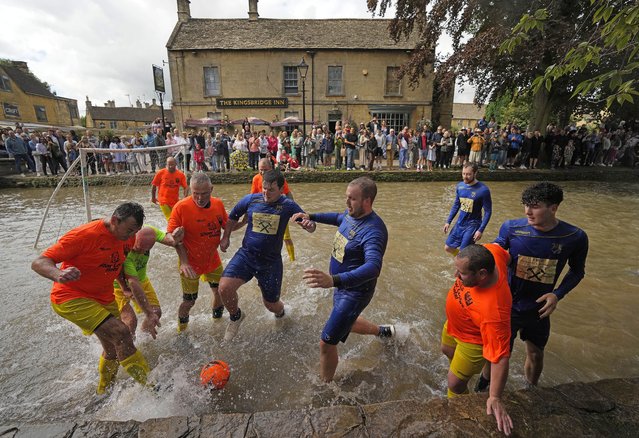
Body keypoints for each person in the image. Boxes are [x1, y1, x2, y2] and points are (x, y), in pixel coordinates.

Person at [31, 202, 157, 394]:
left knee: (113, 349)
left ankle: (103, 391)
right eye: (129, 230)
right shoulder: (83, 235)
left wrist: (125, 289)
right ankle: (152, 388)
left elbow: (119, 266)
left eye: (135, 232)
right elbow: (39, 262)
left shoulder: (128, 238)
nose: (131, 237)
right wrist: (58, 274)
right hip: (71, 297)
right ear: (115, 220)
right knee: (121, 333)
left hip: (104, 297)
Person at [295, 177, 395, 382]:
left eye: (352, 199)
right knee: (346, 322)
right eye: (346, 197)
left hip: (355, 292)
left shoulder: (373, 231)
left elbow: (373, 267)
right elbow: (338, 218)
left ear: (367, 201)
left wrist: (333, 280)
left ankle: (325, 386)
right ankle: (382, 332)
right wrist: (311, 216)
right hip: (342, 285)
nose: (347, 203)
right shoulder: (351, 215)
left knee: (326, 343)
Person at [494, 182, 588, 387]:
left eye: (535, 206)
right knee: (498, 355)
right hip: (508, 305)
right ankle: (485, 389)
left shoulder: (574, 237)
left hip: (539, 308)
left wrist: (557, 294)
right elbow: (495, 252)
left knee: (536, 354)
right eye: (525, 205)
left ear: (553, 208)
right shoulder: (512, 228)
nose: (528, 211)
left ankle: (532, 389)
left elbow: (577, 271)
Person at [218, 170, 313, 341]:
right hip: (247, 255)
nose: (266, 193)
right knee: (224, 288)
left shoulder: (288, 205)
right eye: (264, 188)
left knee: (271, 305)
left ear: (281, 189)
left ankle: (282, 315)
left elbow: (308, 224)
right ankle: (236, 316)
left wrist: (309, 225)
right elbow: (233, 216)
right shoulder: (251, 199)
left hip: (270, 262)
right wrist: (226, 237)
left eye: (271, 190)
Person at [441, 244, 513, 436]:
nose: (456, 276)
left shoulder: (494, 312)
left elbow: (500, 356)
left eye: (462, 273)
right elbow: (506, 255)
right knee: (446, 350)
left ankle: (460, 414)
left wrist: (495, 397)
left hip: (472, 340)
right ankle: (464, 372)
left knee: (454, 384)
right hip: (456, 323)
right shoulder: (491, 253)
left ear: (482, 274)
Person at [167, 173, 229, 332]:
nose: (200, 198)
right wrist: (175, 240)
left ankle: (217, 323)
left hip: (212, 260)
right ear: (190, 190)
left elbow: (227, 225)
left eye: (204, 193)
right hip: (190, 262)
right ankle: (181, 330)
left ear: (211, 189)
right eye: (196, 193)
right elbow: (170, 237)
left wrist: (230, 233)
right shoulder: (181, 207)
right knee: (190, 301)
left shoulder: (218, 204)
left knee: (220, 292)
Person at [113, 225, 183, 338]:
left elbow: (169, 240)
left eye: (145, 250)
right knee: (130, 321)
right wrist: (147, 311)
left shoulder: (150, 232)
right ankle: (127, 345)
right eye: (138, 248)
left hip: (141, 280)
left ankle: (142, 338)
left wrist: (175, 236)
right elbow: (132, 282)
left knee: (156, 312)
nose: (141, 253)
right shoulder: (126, 253)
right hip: (119, 286)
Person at [443, 163, 492, 255]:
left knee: (464, 252)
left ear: (475, 173)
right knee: (448, 248)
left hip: (473, 224)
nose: (465, 177)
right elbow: (456, 205)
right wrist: (448, 221)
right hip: (460, 223)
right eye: (463, 174)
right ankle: (465, 260)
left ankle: (464, 263)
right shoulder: (460, 186)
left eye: (468, 174)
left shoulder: (483, 190)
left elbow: (488, 211)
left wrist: (481, 230)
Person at [151, 156, 189, 221]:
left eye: (172, 164)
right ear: (166, 164)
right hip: (163, 200)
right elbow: (154, 186)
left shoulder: (180, 175)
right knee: (170, 219)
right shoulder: (160, 173)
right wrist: (153, 198)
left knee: (177, 218)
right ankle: (171, 230)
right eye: (169, 165)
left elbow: (186, 187)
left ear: (176, 164)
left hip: (175, 201)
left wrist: (184, 198)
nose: (171, 166)